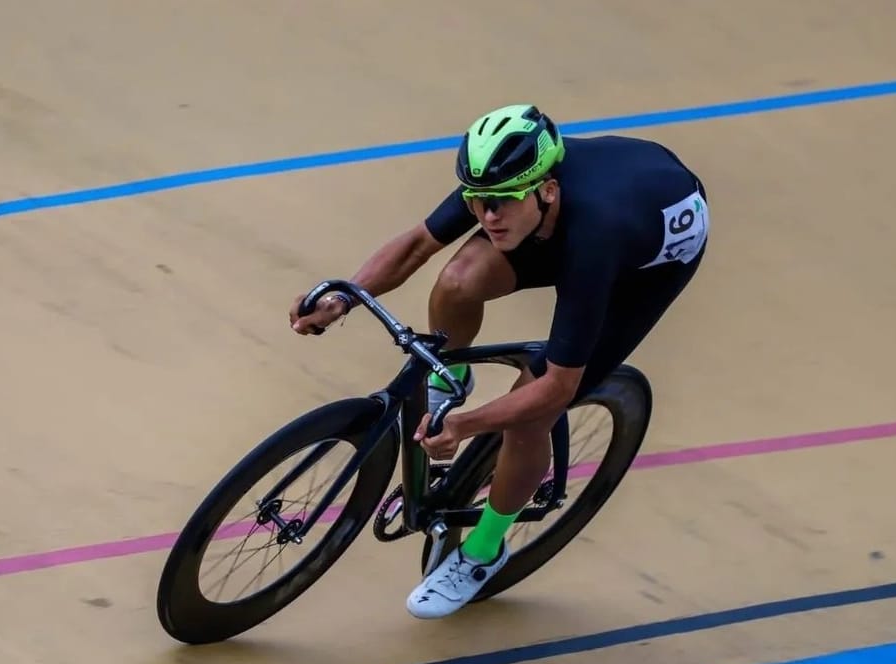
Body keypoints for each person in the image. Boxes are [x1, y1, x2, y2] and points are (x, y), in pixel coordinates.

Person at [289, 103, 709, 619]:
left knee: (530, 412)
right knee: (457, 281)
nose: (488, 216)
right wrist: (344, 298)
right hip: (578, 210)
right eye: (477, 202)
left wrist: (465, 426)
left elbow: (557, 388)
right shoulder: (500, 185)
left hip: (643, 261)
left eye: (502, 203)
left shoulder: (595, 235)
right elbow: (418, 245)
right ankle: (454, 378)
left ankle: (484, 551)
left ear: (546, 189)